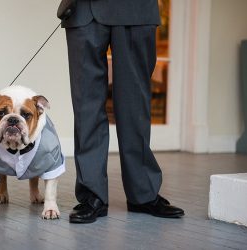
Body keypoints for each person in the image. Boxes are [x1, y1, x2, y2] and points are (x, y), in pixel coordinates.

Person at [61, 0, 185, 224]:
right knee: (86, 107)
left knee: (135, 105)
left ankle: (143, 194)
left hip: (136, 10)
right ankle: (92, 195)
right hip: (83, 10)